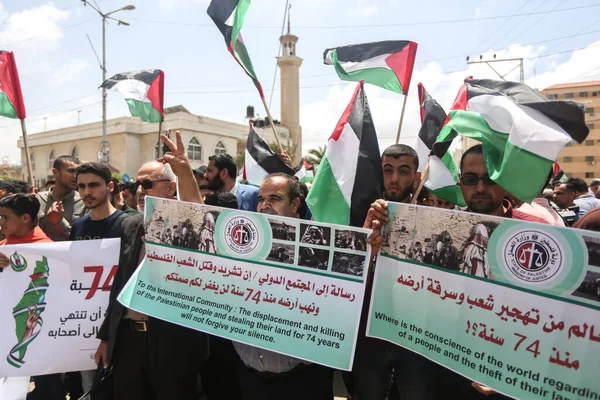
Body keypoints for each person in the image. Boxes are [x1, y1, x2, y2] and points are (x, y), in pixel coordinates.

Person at [95, 131, 208, 400]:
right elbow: (120, 283)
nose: (139, 190)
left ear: (170, 188)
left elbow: (198, 213)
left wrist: (184, 173)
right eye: (137, 184)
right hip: (129, 342)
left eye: (147, 183)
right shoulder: (130, 224)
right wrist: (107, 336)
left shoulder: (186, 222)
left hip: (173, 342)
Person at [233, 173, 334, 400]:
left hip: (303, 381)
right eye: (260, 199)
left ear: (295, 204)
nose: (265, 205)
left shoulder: (319, 244)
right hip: (250, 377)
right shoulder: (241, 241)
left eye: (274, 198)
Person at [353, 145, 440, 400]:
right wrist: (368, 246)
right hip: (371, 336)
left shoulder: (433, 218)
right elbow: (351, 275)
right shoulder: (363, 213)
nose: (394, 179)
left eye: (403, 171)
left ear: (416, 177)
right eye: (388, 170)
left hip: (415, 338)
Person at [0, 194, 52, 400]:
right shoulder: (4, 246)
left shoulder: (47, 248)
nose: (0, 221)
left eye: (5, 216)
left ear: (25, 219)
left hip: (37, 331)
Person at [37, 155, 86, 241]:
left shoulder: (84, 202)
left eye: (78, 172)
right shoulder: (38, 199)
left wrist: (59, 222)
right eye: (71, 171)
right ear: (55, 172)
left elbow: (81, 237)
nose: (76, 176)